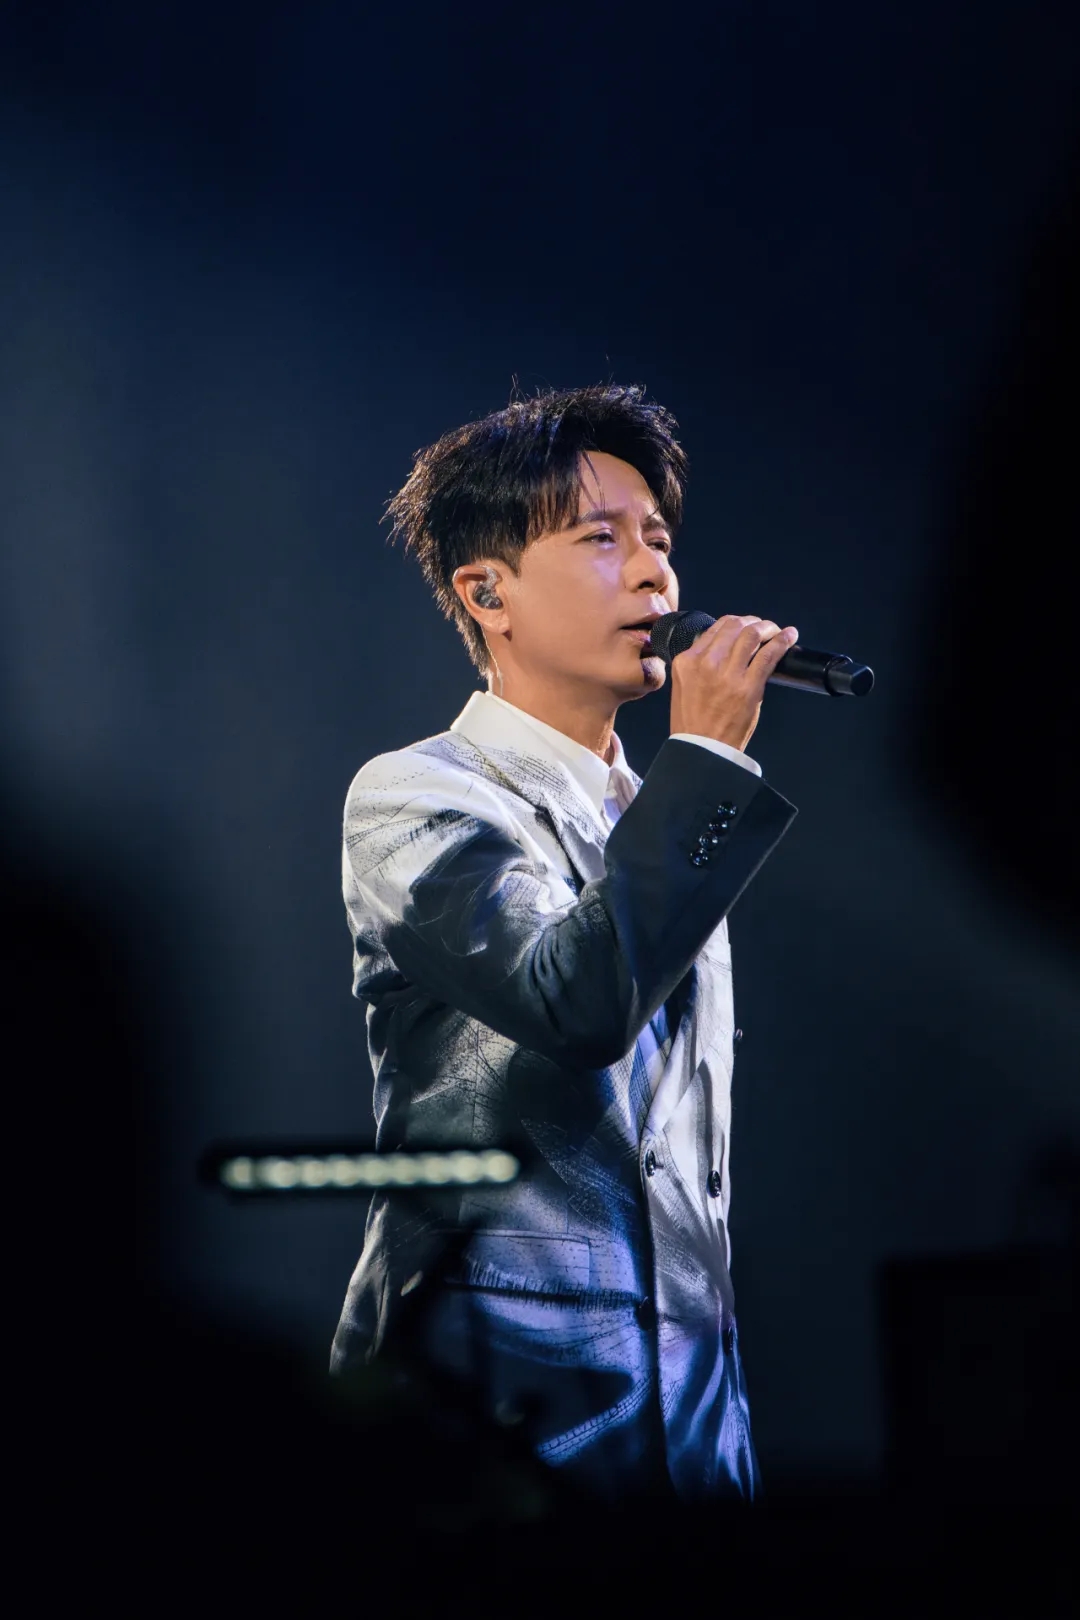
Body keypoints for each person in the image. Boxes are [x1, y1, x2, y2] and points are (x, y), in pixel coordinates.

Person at [330, 383, 799, 1504]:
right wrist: (707, 765)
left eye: (659, 541)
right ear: (486, 591)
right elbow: (574, 1004)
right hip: (491, 1420)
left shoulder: (659, 812)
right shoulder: (416, 795)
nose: (653, 576)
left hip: (692, 1433)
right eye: (601, 539)